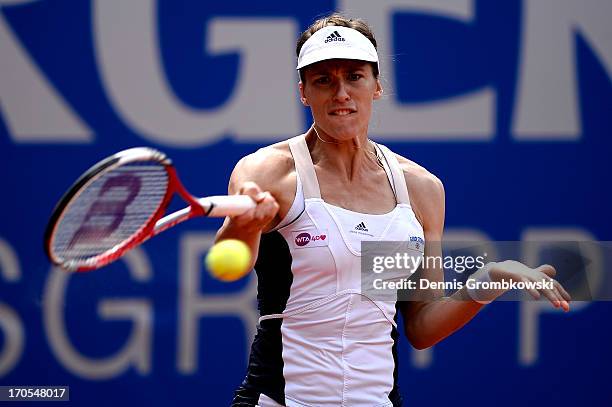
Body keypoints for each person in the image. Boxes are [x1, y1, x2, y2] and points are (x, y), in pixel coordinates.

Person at [215, 13, 571, 407]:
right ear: (304, 92)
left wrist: (489, 279)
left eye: (354, 76)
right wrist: (246, 225)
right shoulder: (267, 172)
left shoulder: (420, 189)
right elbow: (230, 263)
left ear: (377, 86)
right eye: (323, 80)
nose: (341, 93)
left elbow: (420, 326)